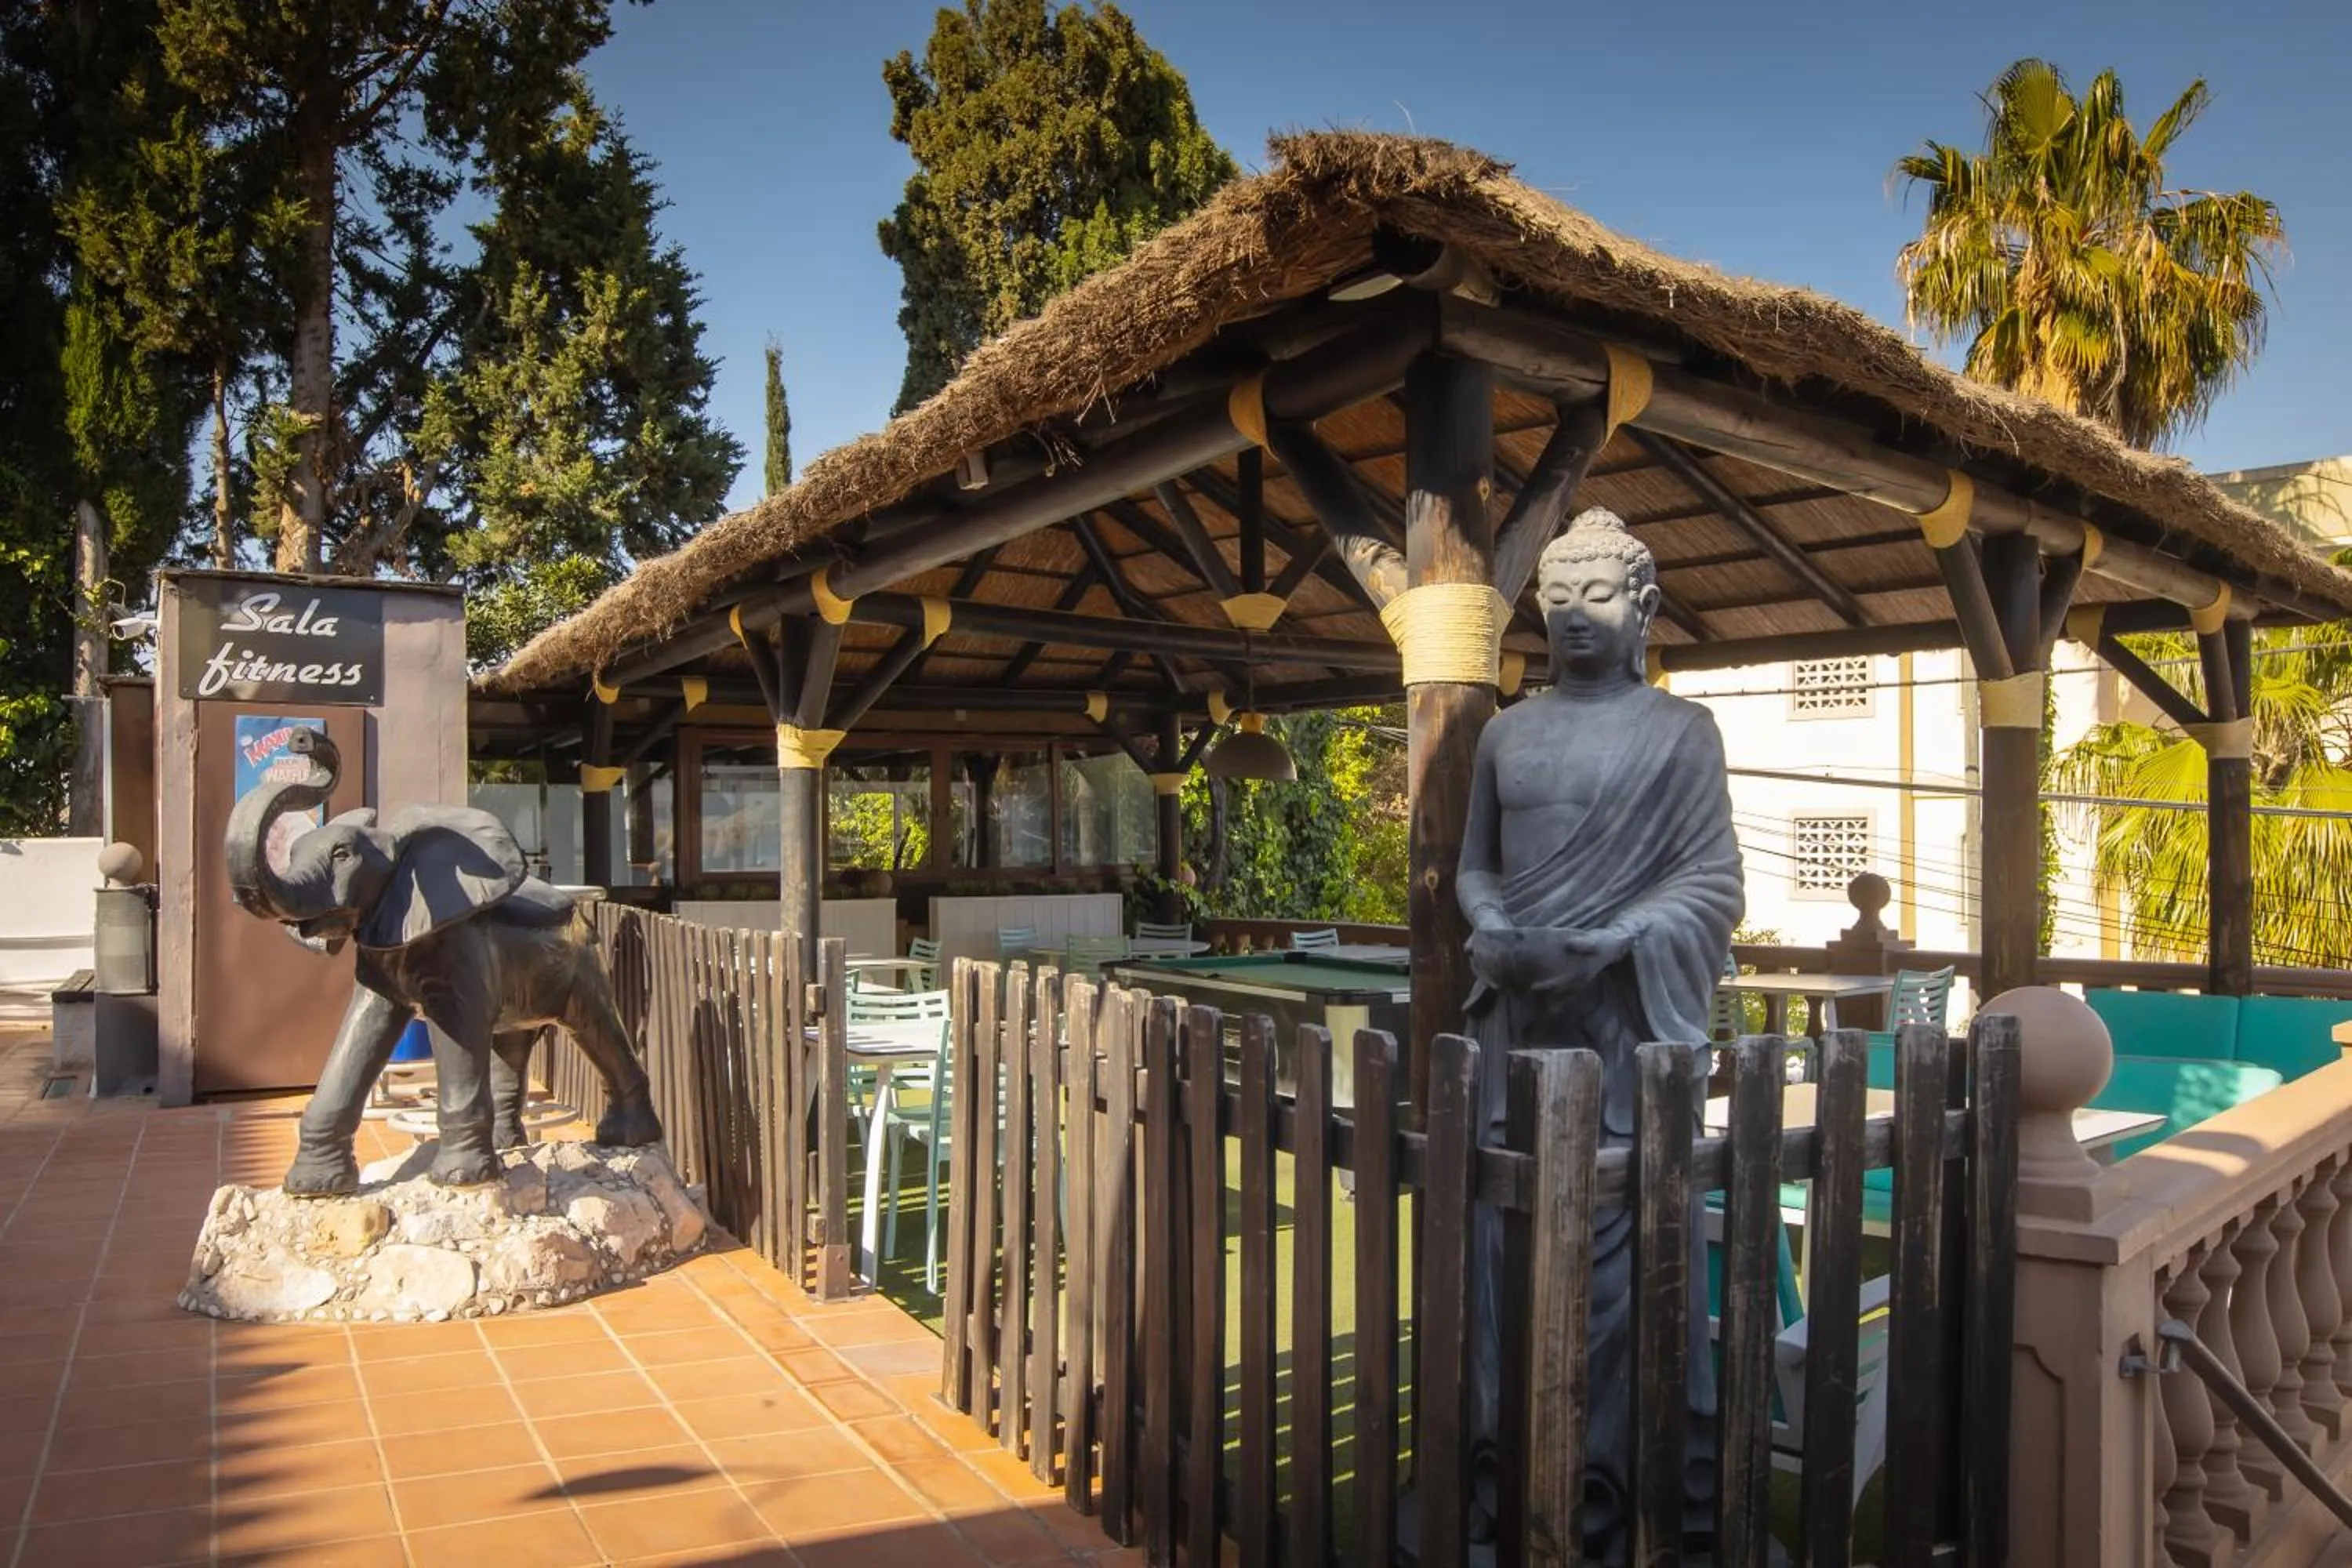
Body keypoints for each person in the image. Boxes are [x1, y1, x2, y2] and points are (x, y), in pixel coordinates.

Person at [1456, 506, 1744, 1564]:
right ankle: (1501, 1477)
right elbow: (1474, 864)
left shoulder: (1681, 734)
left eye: (1601, 597)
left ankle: (1625, 1493)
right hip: (1515, 1022)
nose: (1577, 617)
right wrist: (1489, 924)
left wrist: (1616, 938)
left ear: (1645, 610)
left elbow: (1712, 884)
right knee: (1505, 1249)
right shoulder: (1505, 730)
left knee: (1622, 1265)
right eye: (1559, 598)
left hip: (1624, 1025)